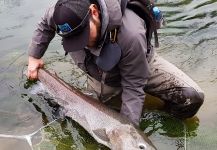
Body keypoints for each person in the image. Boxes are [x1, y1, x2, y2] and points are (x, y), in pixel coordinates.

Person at [27, 0, 204, 126]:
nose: (82, 44)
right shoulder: (64, 11)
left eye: (83, 36)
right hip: (101, 75)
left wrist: (128, 131)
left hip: (139, 64)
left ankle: (162, 113)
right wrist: (34, 56)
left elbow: (133, 86)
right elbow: (45, 24)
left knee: (192, 97)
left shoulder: (131, 34)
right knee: (107, 118)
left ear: (94, 12)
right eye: (73, 39)